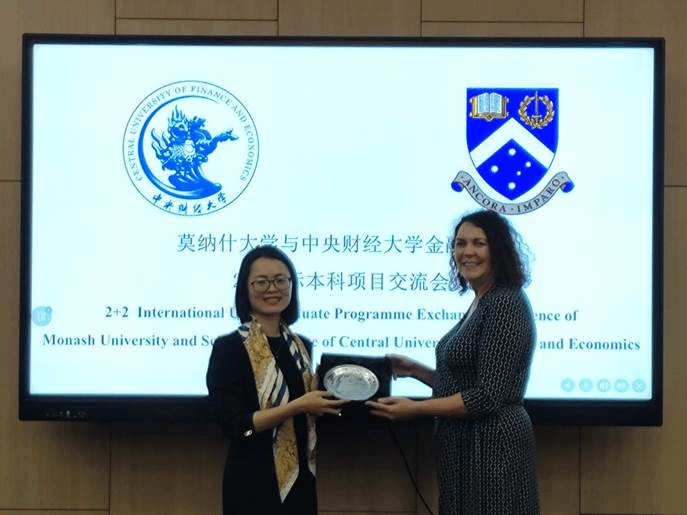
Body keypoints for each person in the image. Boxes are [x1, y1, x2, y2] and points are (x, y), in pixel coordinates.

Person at [366, 210, 540, 515]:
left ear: (498, 250)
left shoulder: (505, 302)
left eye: (478, 243)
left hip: (492, 447)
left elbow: (487, 396)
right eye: (460, 243)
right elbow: (465, 382)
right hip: (467, 445)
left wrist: (415, 409)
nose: (467, 252)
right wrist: (415, 370)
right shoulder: (482, 300)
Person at [206, 245, 346, 515]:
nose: (273, 288)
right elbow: (235, 425)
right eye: (261, 282)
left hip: (301, 481)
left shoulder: (301, 346)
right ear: (245, 288)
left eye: (281, 280)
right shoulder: (229, 348)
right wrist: (297, 406)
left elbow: (310, 414)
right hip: (251, 482)